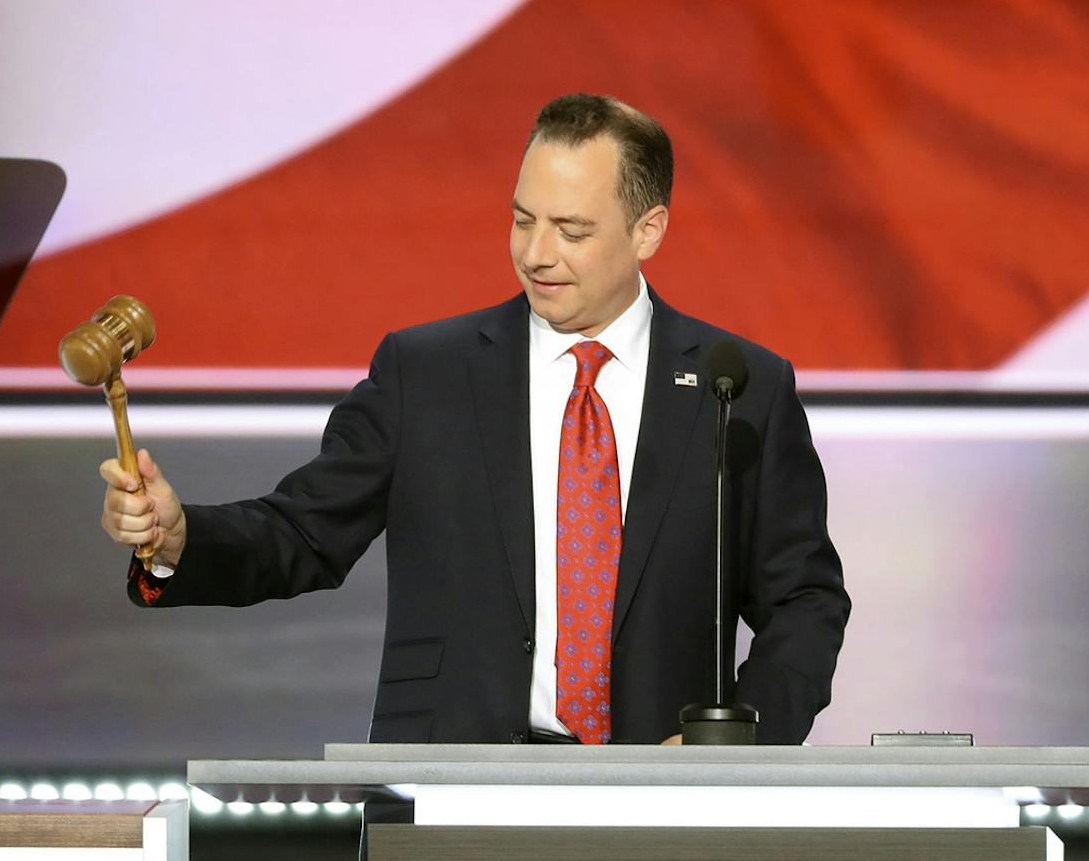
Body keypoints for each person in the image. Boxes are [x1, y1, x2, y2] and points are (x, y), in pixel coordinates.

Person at [99, 94, 848, 745]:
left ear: (648, 231)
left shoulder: (739, 386)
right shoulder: (425, 373)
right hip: (449, 781)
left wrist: (735, 741)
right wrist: (179, 537)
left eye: (572, 229)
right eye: (523, 220)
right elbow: (302, 532)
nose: (536, 253)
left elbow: (803, 599)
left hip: (658, 793)